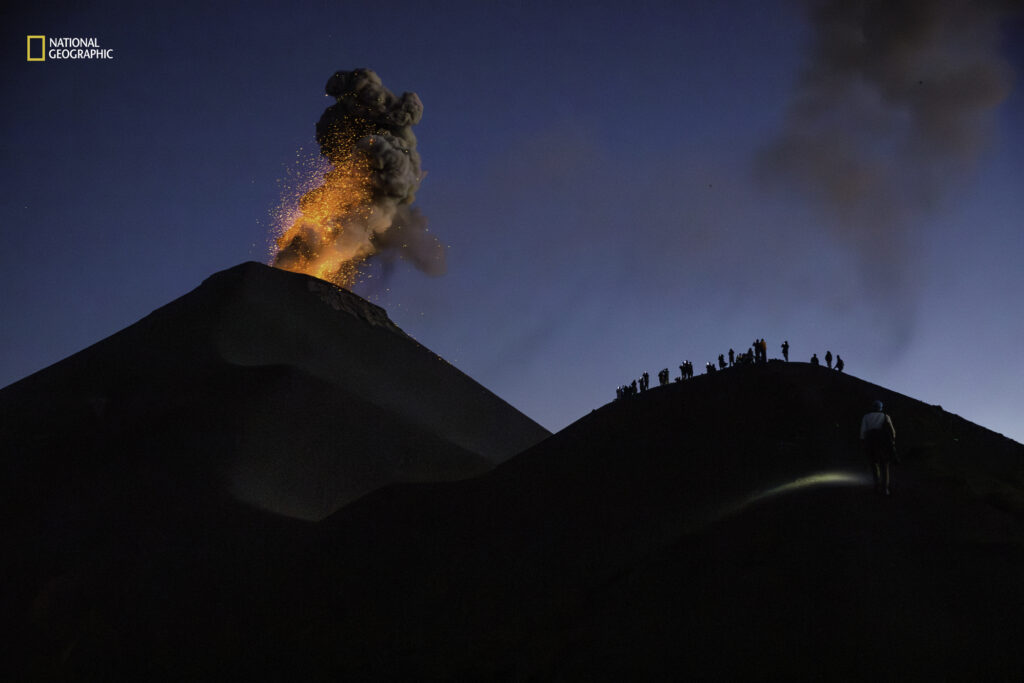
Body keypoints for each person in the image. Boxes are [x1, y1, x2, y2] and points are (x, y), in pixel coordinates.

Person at [861, 400, 896, 495]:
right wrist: (892, 443)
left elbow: (863, 432)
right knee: (885, 466)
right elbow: (892, 432)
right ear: (881, 408)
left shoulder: (866, 417)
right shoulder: (886, 416)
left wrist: (864, 443)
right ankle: (885, 489)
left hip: (871, 443)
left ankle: (876, 487)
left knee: (874, 466)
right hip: (883, 444)